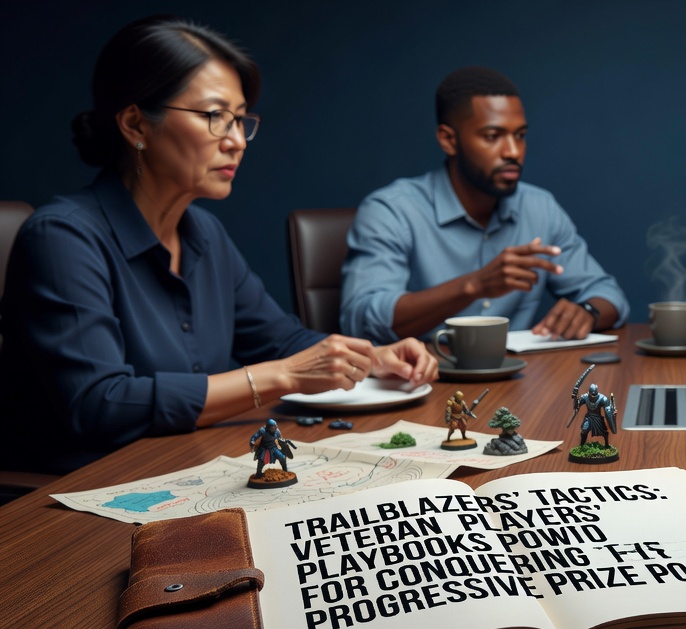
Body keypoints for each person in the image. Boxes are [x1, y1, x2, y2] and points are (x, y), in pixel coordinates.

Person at [0, 16, 436, 475]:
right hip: (75, 498)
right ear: (135, 125)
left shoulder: (204, 233)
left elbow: (283, 341)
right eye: (213, 117)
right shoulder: (62, 237)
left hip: (188, 467)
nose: (235, 142)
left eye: (240, 120)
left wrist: (371, 358)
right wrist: (282, 377)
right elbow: (99, 403)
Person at [340, 66, 628, 345]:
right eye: (492, 136)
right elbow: (361, 319)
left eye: (520, 135)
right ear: (448, 140)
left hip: (521, 384)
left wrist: (587, 312)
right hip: (425, 383)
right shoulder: (392, 211)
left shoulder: (540, 208)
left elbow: (608, 294)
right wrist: (474, 286)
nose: (513, 151)